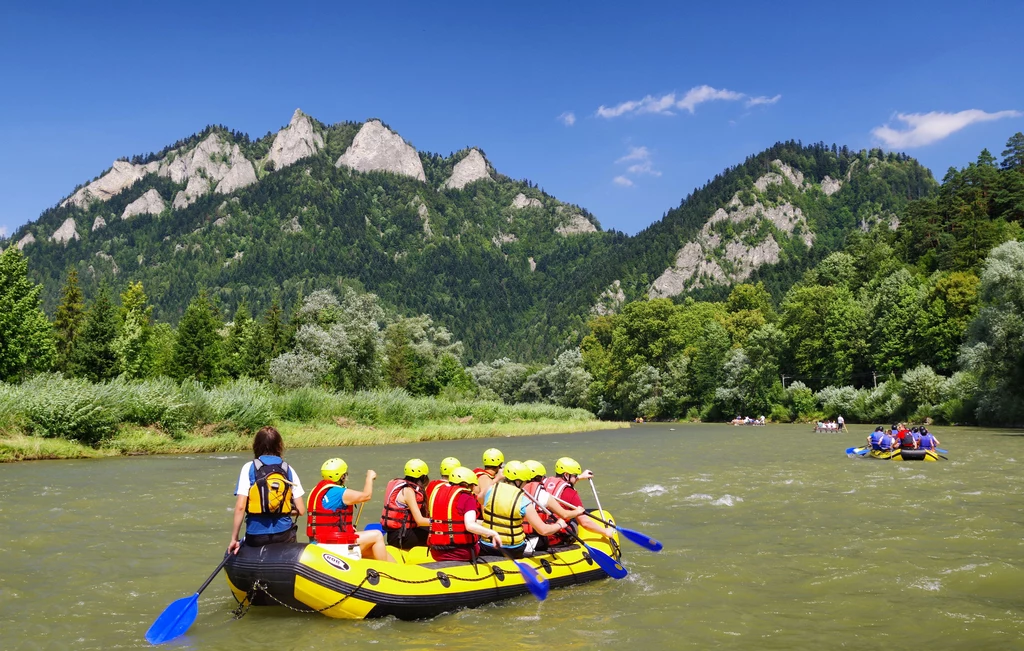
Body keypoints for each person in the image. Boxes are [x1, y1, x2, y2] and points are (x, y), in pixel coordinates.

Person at [229, 426, 306, 554]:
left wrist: (234, 538)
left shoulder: (249, 468)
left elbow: (241, 507)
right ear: (279, 445)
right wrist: (279, 509)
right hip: (284, 534)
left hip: (256, 536)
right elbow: (301, 510)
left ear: (256, 445)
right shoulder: (288, 470)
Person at [306, 458, 395, 562]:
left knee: (373, 549)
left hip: (318, 542)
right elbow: (366, 496)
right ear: (341, 476)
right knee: (377, 535)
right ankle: (387, 571)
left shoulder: (317, 491)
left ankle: (398, 569)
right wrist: (369, 478)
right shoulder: (339, 493)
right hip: (334, 545)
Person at [479, 461, 568, 559]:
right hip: (512, 549)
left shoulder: (490, 490)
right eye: (525, 482)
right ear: (518, 481)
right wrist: (559, 525)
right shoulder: (523, 501)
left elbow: (480, 499)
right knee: (542, 540)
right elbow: (543, 530)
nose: (525, 485)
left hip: (486, 545)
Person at [427, 466, 501, 562]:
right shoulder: (467, 497)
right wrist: (493, 533)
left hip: (436, 552)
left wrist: (484, 525)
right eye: (473, 485)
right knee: (485, 544)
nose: (474, 488)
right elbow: (470, 526)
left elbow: (456, 520)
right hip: (461, 552)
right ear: (466, 484)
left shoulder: (437, 492)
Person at [540, 457, 616, 547]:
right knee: (573, 520)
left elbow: (564, 483)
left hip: (540, 530)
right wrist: (605, 532)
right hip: (555, 536)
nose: (576, 477)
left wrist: (580, 477)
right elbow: (585, 523)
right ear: (566, 475)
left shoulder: (544, 483)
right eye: (575, 475)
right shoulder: (570, 493)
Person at [520, 459, 585, 553]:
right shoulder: (542, 495)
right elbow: (565, 515)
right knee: (572, 523)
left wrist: (578, 477)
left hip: (517, 537)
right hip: (536, 540)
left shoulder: (512, 492)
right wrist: (577, 512)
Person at [381, 459, 431, 549]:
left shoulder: (397, 484)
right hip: (401, 538)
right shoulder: (408, 491)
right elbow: (420, 521)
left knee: (428, 529)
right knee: (436, 532)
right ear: (423, 477)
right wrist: (441, 522)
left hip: (394, 535)